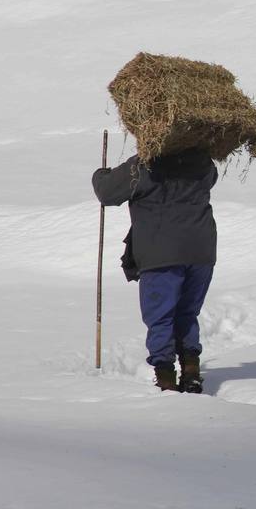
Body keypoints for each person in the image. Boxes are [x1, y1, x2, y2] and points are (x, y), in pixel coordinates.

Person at [93, 147, 218, 393]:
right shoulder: (201, 161)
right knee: (187, 312)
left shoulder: (143, 166)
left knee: (160, 317)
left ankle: (166, 378)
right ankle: (191, 370)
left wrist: (101, 174)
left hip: (161, 254)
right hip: (201, 249)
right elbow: (211, 177)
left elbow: (107, 192)